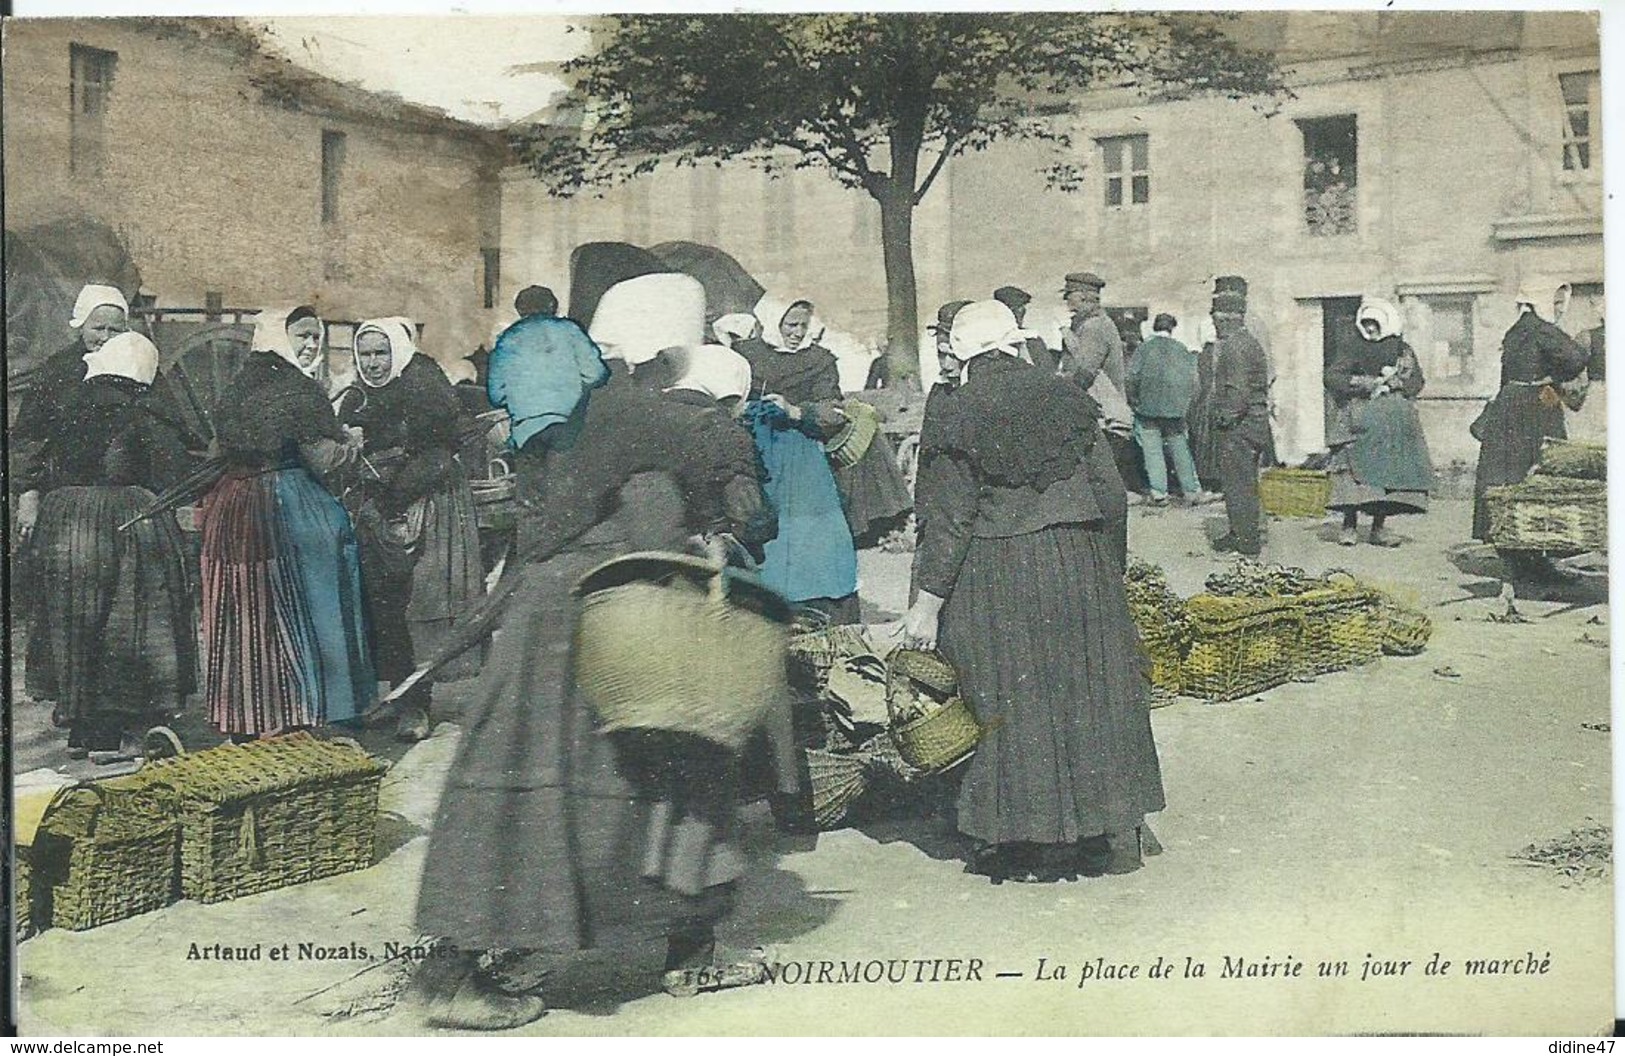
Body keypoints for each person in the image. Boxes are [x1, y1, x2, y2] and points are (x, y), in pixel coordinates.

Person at [409, 272, 796, 1030]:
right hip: (615, 620)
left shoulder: (567, 411)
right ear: (674, 347)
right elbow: (656, 529)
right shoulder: (656, 423)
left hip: (539, 623)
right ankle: (689, 951)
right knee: (676, 780)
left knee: (524, 795)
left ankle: (455, 966)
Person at [901, 300, 1165, 883]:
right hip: (1080, 562)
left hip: (1001, 571)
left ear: (963, 354)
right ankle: (1101, 830)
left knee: (1012, 701)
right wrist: (1106, 569)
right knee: (1089, 691)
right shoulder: (1068, 398)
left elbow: (949, 518)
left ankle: (1028, 843)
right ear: (1013, 345)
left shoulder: (957, 412)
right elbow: (1111, 495)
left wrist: (927, 603)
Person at [14, 330, 198, 760]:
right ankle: (118, 732)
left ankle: (83, 728)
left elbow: (40, 459)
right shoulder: (142, 413)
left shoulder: (72, 404)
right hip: (120, 522)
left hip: (66, 520)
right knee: (126, 623)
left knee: (78, 624)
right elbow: (171, 474)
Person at [202, 306, 374, 741]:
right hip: (286, 504)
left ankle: (247, 714)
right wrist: (350, 444)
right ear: (280, 336)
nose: (310, 345)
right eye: (302, 336)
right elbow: (324, 459)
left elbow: (216, 451)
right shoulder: (298, 390)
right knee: (310, 594)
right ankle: (307, 707)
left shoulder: (239, 386)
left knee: (245, 609)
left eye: (315, 337)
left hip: (233, 504)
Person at [341, 317, 485, 742]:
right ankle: (398, 696)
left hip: (428, 507)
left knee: (419, 604)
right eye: (365, 354)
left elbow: (440, 454)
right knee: (383, 607)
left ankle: (418, 707)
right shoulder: (356, 399)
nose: (373, 363)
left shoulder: (423, 389)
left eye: (381, 353)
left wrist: (394, 486)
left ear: (397, 353)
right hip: (380, 512)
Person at [737, 296, 861, 622]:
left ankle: (816, 604)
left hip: (799, 454)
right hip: (755, 450)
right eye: (790, 325)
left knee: (813, 531)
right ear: (773, 322)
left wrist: (795, 411)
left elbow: (835, 411)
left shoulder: (819, 361)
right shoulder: (746, 354)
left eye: (803, 326)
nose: (797, 333)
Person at [1471, 287, 1591, 542]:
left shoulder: (1515, 330)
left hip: (1509, 404)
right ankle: (1541, 542)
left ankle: (1507, 534)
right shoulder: (1543, 330)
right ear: (1542, 302)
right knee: (1544, 467)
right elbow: (1575, 360)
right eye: (1556, 303)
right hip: (1536, 405)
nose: (1560, 309)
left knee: (1507, 473)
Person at [1324, 298, 1434, 547]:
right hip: (1359, 415)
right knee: (1352, 474)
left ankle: (1378, 528)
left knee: (1386, 475)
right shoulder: (1351, 346)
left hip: (1390, 422)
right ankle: (1349, 526)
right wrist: (1362, 383)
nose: (1370, 330)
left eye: (1375, 325)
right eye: (1366, 324)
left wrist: (1398, 383)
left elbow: (1417, 381)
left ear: (1385, 324)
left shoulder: (1401, 349)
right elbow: (1332, 376)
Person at [487, 285, 610, 453]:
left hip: (527, 433)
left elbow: (496, 395)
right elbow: (596, 374)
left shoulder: (506, 340)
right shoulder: (570, 329)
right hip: (571, 427)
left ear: (520, 310)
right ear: (553, 306)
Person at [1058, 272, 1142, 497]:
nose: (1066, 300)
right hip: (1097, 409)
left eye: (1070, 295)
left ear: (1085, 297)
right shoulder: (1088, 324)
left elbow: (1084, 372)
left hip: (1102, 411)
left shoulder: (1094, 327)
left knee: (1102, 477)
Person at [1126, 312, 1212, 507]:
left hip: (1147, 409)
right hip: (1175, 411)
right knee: (1180, 448)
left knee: (1152, 450)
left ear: (1154, 327)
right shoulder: (1182, 349)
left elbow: (1131, 377)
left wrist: (1134, 401)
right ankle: (1190, 491)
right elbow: (1195, 383)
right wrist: (1186, 406)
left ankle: (1159, 493)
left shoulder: (1143, 349)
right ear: (1172, 328)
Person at [1208, 293, 1272, 556]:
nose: (1213, 321)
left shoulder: (1235, 347)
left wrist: (1223, 419)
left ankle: (1246, 541)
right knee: (1243, 481)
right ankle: (1240, 532)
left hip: (1241, 427)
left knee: (1238, 484)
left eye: (1216, 316)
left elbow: (1237, 393)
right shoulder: (1247, 343)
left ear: (1224, 318)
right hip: (1253, 423)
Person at [992, 285, 1060, 374]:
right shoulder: (991, 341)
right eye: (1013, 310)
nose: (1018, 313)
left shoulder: (1032, 340)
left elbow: (1048, 372)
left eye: (1020, 309)